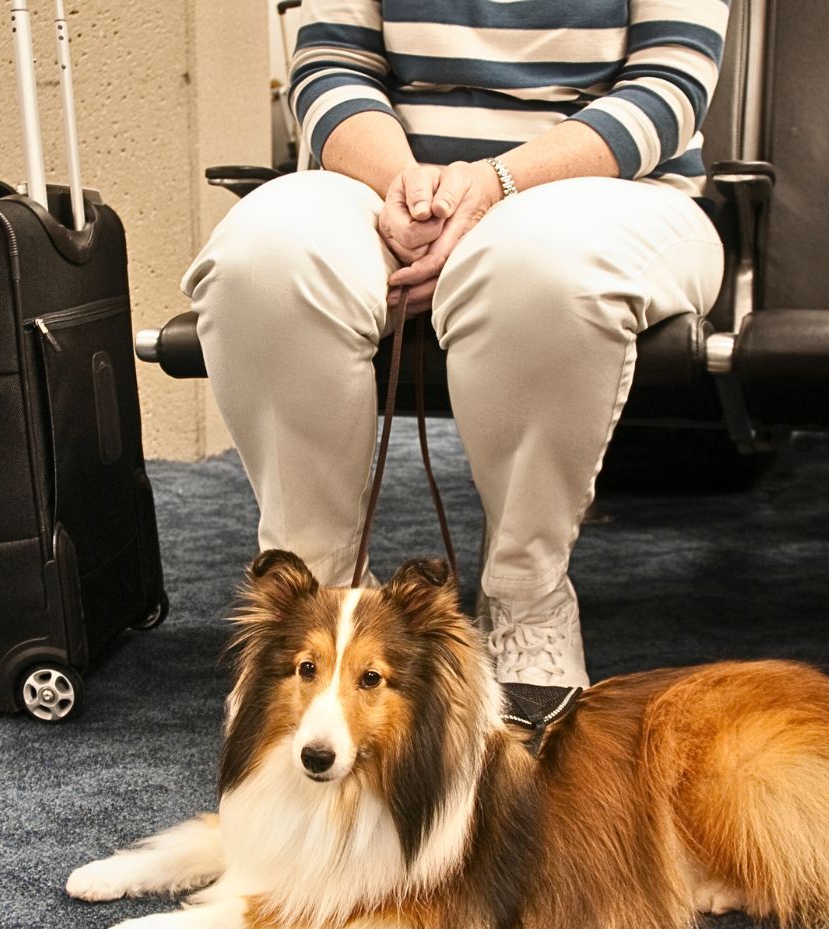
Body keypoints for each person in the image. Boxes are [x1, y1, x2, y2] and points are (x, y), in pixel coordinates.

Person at [182, 0, 727, 688]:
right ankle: (316, 602)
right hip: (390, 181)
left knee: (539, 269)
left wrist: (495, 185)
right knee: (261, 261)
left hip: (611, 188)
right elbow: (331, 65)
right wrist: (410, 190)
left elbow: (667, 89)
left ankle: (526, 594)